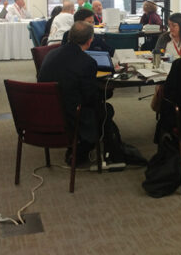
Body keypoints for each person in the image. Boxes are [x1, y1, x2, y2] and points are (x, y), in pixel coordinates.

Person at [38, 21, 121, 166]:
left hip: (45, 113)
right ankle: (88, 149)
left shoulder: (51, 54)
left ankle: (83, 146)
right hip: (71, 117)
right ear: (90, 41)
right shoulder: (87, 62)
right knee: (106, 110)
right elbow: (90, 98)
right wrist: (106, 92)